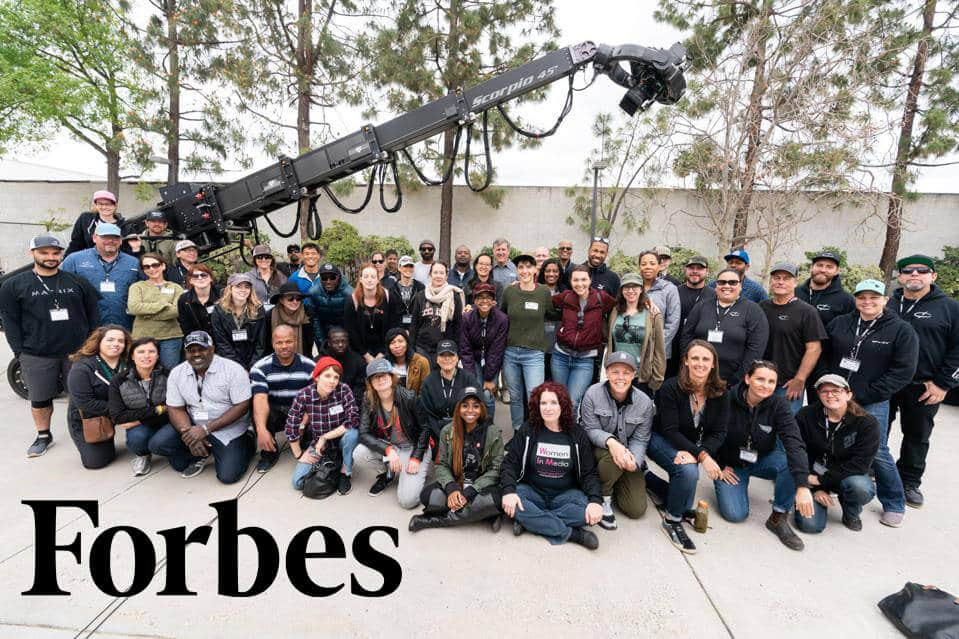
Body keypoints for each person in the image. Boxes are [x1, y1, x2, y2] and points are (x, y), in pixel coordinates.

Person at [824, 278, 918, 527]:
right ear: (855, 299)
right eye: (862, 297)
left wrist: (864, 395)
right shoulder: (840, 323)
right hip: (833, 396)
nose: (867, 302)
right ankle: (829, 484)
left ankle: (894, 503)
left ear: (885, 300)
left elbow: (903, 371)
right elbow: (824, 354)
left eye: (874, 297)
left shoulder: (901, 330)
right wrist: (827, 387)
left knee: (877, 450)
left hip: (871, 400)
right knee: (830, 440)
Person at [0, 235, 100, 457]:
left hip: (77, 352)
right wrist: (20, 353)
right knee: (40, 398)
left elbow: (93, 314)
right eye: (44, 253)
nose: (51, 257)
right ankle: (43, 435)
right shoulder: (13, 285)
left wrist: (92, 346)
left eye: (55, 253)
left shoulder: (76, 281)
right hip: (36, 353)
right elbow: (10, 322)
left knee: (82, 396)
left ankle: (87, 432)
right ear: (32, 253)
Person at [714, 360, 814, 550]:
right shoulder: (726, 400)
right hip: (731, 464)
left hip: (762, 459)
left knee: (790, 462)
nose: (765, 385)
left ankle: (778, 517)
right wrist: (718, 465)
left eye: (771, 381)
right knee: (735, 514)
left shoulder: (779, 405)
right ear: (747, 379)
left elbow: (794, 442)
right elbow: (710, 435)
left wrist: (802, 485)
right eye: (760, 379)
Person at [888, 254, 959, 509]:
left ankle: (909, 481)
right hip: (886, 382)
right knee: (875, 429)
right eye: (908, 271)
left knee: (917, 435)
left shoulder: (950, 308)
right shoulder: (888, 304)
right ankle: (872, 468)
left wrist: (943, 384)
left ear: (933, 276)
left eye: (922, 270)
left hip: (924, 385)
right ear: (900, 277)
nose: (914, 275)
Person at [647, 341, 729, 553]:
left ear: (713, 364)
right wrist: (701, 456)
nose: (700, 363)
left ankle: (647, 478)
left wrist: (699, 453)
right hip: (660, 439)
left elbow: (720, 432)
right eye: (695, 358)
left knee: (684, 499)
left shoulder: (721, 392)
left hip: (691, 446)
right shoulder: (670, 388)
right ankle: (671, 521)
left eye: (705, 359)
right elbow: (670, 430)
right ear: (685, 361)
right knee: (688, 472)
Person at [500, 382, 604, 549]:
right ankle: (572, 534)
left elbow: (588, 473)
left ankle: (531, 522)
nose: (548, 408)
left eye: (553, 403)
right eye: (543, 403)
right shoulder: (528, 430)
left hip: (565, 495)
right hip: (532, 492)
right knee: (510, 500)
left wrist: (596, 501)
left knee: (586, 513)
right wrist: (509, 491)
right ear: (537, 406)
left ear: (562, 405)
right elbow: (509, 464)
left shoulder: (577, 433)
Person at [153, 331, 254, 482]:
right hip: (194, 424)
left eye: (202, 349)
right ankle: (202, 452)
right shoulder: (177, 373)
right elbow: (175, 408)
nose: (196, 354)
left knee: (228, 476)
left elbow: (242, 405)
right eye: (191, 350)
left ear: (212, 349)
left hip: (228, 427)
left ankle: (248, 441)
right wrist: (190, 434)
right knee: (158, 445)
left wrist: (206, 429)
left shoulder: (233, 369)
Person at [409, 386, 504, 532]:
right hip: (457, 482)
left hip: (480, 487)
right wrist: (451, 488)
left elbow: (495, 469)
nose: (470, 410)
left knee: (496, 499)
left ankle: (432, 520)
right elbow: (441, 464)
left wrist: (470, 492)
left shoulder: (493, 432)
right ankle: (484, 514)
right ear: (458, 408)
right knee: (428, 496)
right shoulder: (448, 431)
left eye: (475, 406)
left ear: (482, 408)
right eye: (465, 406)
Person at [579, 353, 655, 534]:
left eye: (626, 373)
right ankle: (603, 497)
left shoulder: (644, 403)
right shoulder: (592, 394)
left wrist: (634, 461)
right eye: (615, 372)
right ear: (607, 373)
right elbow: (590, 429)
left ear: (634, 375)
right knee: (613, 457)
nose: (620, 377)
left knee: (636, 509)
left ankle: (615, 480)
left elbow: (641, 438)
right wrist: (612, 442)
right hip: (598, 449)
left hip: (627, 452)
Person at [793, 374, 879, 533]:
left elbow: (860, 465)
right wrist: (815, 488)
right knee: (811, 526)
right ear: (819, 395)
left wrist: (821, 480)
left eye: (836, 391)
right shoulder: (805, 415)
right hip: (813, 474)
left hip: (844, 476)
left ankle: (850, 511)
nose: (830, 395)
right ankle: (812, 495)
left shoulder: (867, 423)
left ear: (848, 394)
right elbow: (798, 452)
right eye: (824, 391)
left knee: (860, 487)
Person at [355, 359, 431, 505]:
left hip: (413, 447)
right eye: (376, 377)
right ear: (370, 382)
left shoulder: (409, 397)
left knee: (407, 501)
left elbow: (425, 429)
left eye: (384, 375)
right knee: (359, 453)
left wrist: (416, 457)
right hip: (391, 445)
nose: (381, 379)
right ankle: (390, 472)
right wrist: (388, 450)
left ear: (391, 376)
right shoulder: (368, 398)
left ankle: (415, 469)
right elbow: (363, 433)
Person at [286, 356, 360, 494]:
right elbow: (291, 425)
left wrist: (325, 437)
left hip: (341, 439)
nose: (332, 381)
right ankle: (333, 464)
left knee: (353, 434)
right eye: (327, 376)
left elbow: (353, 420)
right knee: (298, 483)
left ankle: (345, 471)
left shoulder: (343, 390)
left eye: (336, 377)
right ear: (317, 377)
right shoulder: (304, 395)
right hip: (319, 446)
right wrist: (299, 455)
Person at [680, 268, 769, 382]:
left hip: (732, 380)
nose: (727, 286)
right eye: (722, 282)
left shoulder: (753, 310)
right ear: (716, 286)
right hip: (698, 375)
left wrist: (737, 378)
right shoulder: (701, 306)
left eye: (732, 282)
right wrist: (688, 366)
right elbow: (686, 337)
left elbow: (756, 348)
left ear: (740, 286)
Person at [759, 262, 826, 413]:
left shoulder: (807, 312)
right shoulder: (762, 307)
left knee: (785, 425)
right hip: (762, 379)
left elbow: (814, 349)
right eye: (777, 278)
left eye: (786, 278)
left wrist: (800, 379)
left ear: (795, 282)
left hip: (787, 384)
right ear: (771, 281)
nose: (780, 282)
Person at [250, 324, 316, 473]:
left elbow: (313, 401)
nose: (284, 346)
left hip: (299, 410)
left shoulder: (310, 366)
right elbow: (260, 399)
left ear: (295, 342)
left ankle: (307, 445)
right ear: (273, 344)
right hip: (275, 410)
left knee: (316, 413)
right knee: (260, 413)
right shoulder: (260, 368)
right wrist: (261, 429)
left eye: (288, 341)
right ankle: (269, 453)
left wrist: (302, 424)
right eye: (279, 342)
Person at [550, 265, 616, 411]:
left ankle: (570, 426)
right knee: (560, 398)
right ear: (570, 281)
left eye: (583, 279)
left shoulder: (601, 298)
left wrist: (647, 302)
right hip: (561, 356)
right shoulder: (565, 297)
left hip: (585, 360)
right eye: (576, 280)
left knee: (573, 401)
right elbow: (544, 301)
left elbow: (621, 305)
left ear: (590, 280)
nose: (579, 284)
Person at [66, 325, 131, 469]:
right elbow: (85, 403)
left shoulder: (128, 364)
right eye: (110, 340)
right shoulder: (82, 367)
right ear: (99, 342)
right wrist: (120, 414)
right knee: (96, 462)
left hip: (117, 411)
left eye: (121, 341)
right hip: (90, 417)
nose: (116, 344)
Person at [500, 253, 553, 429]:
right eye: (521, 267)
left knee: (534, 395)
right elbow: (501, 316)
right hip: (510, 352)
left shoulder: (543, 292)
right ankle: (518, 431)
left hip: (534, 353)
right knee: (515, 396)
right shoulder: (509, 291)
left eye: (528, 267)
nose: (524, 271)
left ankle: (534, 431)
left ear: (535, 269)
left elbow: (552, 314)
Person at [108, 337, 171, 476]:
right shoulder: (119, 380)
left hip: (167, 423)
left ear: (158, 355)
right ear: (132, 355)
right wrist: (159, 409)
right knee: (137, 438)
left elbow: (173, 409)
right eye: (141, 352)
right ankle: (143, 455)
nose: (146, 356)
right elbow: (118, 417)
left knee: (166, 449)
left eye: (151, 351)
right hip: (146, 425)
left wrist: (138, 420)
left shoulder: (169, 376)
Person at [61, 222, 143, 329]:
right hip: (87, 326)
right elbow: (60, 288)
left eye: (115, 238)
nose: (111, 241)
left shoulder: (134, 263)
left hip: (124, 325)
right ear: (94, 238)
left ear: (121, 240)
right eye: (105, 237)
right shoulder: (74, 260)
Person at [606, 273, 666, 394]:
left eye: (635, 287)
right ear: (622, 290)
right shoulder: (615, 312)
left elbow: (659, 349)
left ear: (641, 289)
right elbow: (610, 342)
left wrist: (657, 378)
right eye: (626, 287)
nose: (630, 291)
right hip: (617, 374)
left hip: (640, 376)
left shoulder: (652, 314)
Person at [416, 340, 480, 446]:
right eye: (442, 355)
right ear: (437, 359)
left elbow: (478, 408)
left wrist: (464, 433)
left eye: (451, 355)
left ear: (457, 358)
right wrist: (441, 435)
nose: (447, 359)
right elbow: (427, 414)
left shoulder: (469, 379)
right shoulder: (429, 382)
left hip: (465, 431)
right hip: (437, 434)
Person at [127, 253, 184, 369]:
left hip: (170, 337)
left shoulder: (176, 287)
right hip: (142, 337)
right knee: (144, 370)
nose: (151, 269)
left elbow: (177, 311)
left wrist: (145, 315)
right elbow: (134, 307)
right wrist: (162, 305)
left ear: (163, 266)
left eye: (155, 265)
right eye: (146, 267)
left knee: (170, 372)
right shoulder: (137, 287)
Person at [459, 282, 508, 418]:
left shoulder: (502, 319)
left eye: (488, 297)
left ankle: (489, 425)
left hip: (491, 361)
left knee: (487, 394)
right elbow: (465, 350)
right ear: (474, 301)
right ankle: (476, 423)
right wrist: (472, 377)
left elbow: (496, 351)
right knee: (475, 392)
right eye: (480, 297)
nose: (484, 301)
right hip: (473, 359)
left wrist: (488, 378)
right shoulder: (467, 318)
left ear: (494, 301)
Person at [667, 255, 716, 378]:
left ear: (707, 271)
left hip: (701, 353)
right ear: (685, 270)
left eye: (699, 268)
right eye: (691, 268)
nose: (695, 271)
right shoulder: (674, 292)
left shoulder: (713, 295)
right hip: (673, 351)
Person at [409, 262, 464, 362]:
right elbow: (414, 325)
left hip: (445, 350)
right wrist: (411, 350)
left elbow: (458, 326)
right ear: (430, 274)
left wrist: (457, 353)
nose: (438, 276)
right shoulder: (421, 296)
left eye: (442, 273)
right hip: (422, 348)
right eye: (435, 272)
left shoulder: (454, 297)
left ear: (446, 276)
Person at [210, 272, 266, 369]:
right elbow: (222, 343)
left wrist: (253, 366)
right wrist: (239, 367)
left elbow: (261, 342)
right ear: (230, 289)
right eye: (238, 286)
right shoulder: (219, 310)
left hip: (253, 363)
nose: (243, 290)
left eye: (247, 287)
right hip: (229, 363)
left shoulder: (258, 309)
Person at [344, 263, 396, 362]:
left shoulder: (388, 297)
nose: (369, 280)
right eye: (366, 276)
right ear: (361, 279)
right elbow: (351, 331)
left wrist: (383, 352)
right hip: (361, 351)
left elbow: (393, 325)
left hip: (385, 348)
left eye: (373, 276)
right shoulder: (352, 300)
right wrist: (366, 355)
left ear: (378, 279)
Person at [638, 250, 681, 366]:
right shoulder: (633, 288)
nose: (648, 267)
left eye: (652, 263)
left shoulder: (669, 289)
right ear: (639, 267)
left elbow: (673, 322)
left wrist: (656, 345)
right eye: (643, 264)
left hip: (658, 351)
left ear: (659, 266)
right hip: (634, 347)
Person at [796, 250, 855, 327]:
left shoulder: (846, 300)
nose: (823, 270)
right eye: (819, 265)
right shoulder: (794, 293)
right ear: (811, 267)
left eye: (829, 267)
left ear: (837, 271)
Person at [307, 262, 353, 352]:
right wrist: (321, 342)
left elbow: (352, 322)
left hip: (344, 332)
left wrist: (347, 341)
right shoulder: (313, 292)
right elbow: (315, 320)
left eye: (332, 278)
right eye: (324, 278)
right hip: (324, 332)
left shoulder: (350, 294)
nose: (328, 281)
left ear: (338, 277)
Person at [261, 282, 314, 357]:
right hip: (275, 358)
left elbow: (309, 342)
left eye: (298, 299)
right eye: (290, 299)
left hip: (302, 358)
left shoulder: (307, 314)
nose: (295, 302)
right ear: (281, 300)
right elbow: (265, 342)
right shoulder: (270, 316)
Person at [66, 190, 127, 256]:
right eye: (100, 204)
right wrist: (66, 259)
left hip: (114, 259)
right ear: (96, 205)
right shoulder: (86, 219)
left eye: (108, 204)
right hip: (87, 259)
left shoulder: (124, 226)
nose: (104, 207)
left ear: (115, 206)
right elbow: (75, 243)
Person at [321, 326, 366, 400]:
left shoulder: (358, 361)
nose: (340, 345)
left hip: (351, 401)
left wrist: (351, 402)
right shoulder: (318, 361)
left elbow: (360, 387)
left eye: (344, 341)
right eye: (336, 342)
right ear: (329, 343)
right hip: (325, 402)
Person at [177, 263, 220, 337]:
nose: (200, 278)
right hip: (198, 339)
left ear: (211, 278)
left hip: (224, 338)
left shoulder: (222, 293)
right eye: (195, 276)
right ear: (190, 280)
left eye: (204, 275)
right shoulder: (184, 300)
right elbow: (186, 327)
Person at [384, 328, 430, 394]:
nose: (397, 346)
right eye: (392, 342)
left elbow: (425, 391)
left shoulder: (421, 362)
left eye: (400, 341)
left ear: (407, 343)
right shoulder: (383, 364)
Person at [387, 255, 425, 333]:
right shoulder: (392, 289)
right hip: (397, 331)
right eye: (405, 266)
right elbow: (390, 314)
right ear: (399, 268)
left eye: (411, 266)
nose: (408, 269)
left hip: (416, 331)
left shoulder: (420, 287)